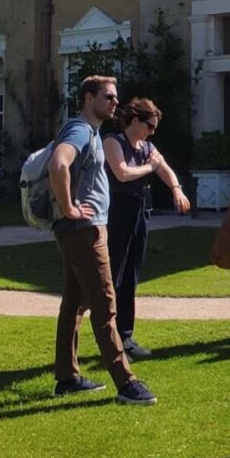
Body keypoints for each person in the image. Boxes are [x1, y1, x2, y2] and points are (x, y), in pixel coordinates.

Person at [48, 75, 156, 405]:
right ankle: (127, 383)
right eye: (107, 97)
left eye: (114, 97)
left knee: (74, 303)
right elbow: (59, 163)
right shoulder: (80, 129)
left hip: (81, 229)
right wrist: (68, 206)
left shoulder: (91, 132)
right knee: (105, 305)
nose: (114, 102)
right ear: (88, 98)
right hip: (85, 229)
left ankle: (67, 377)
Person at [104, 96, 191, 360]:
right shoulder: (113, 141)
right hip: (117, 213)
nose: (152, 131)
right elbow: (121, 173)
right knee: (114, 276)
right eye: (149, 125)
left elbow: (165, 170)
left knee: (131, 276)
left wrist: (176, 190)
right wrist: (150, 166)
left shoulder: (146, 146)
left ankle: (126, 337)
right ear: (134, 119)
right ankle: (111, 341)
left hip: (140, 212)